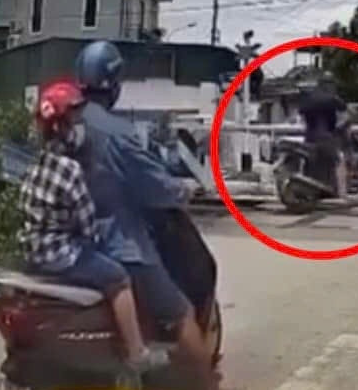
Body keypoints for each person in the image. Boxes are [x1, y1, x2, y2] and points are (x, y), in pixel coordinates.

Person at [71, 41, 219, 384]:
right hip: (116, 243)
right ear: (114, 83)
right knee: (181, 315)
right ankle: (206, 383)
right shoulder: (117, 132)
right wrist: (183, 190)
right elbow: (156, 186)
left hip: (69, 242)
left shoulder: (64, 121)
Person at [17, 80, 168, 372]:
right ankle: (137, 353)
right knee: (119, 279)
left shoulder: (34, 167)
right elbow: (88, 227)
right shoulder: (71, 170)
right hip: (63, 257)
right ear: (62, 127)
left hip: (33, 254)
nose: (80, 124)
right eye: (75, 118)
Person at [298, 81, 348, 198]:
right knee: (338, 162)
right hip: (326, 136)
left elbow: (302, 120)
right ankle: (341, 192)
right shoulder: (332, 99)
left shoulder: (307, 100)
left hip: (310, 138)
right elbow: (344, 116)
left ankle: (310, 191)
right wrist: (338, 128)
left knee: (311, 165)